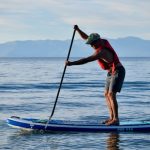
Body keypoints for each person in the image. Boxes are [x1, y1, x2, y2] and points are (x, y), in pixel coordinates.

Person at [66, 25, 125, 125]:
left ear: (97, 41)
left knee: (111, 94)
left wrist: (71, 63)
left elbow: (86, 60)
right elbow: (86, 37)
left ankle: (116, 119)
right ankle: (111, 118)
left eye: (92, 44)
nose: (91, 46)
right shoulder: (102, 41)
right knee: (106, 94)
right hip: (110, 72)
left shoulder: (101, 51)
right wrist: (78, 30)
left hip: (118, 71)